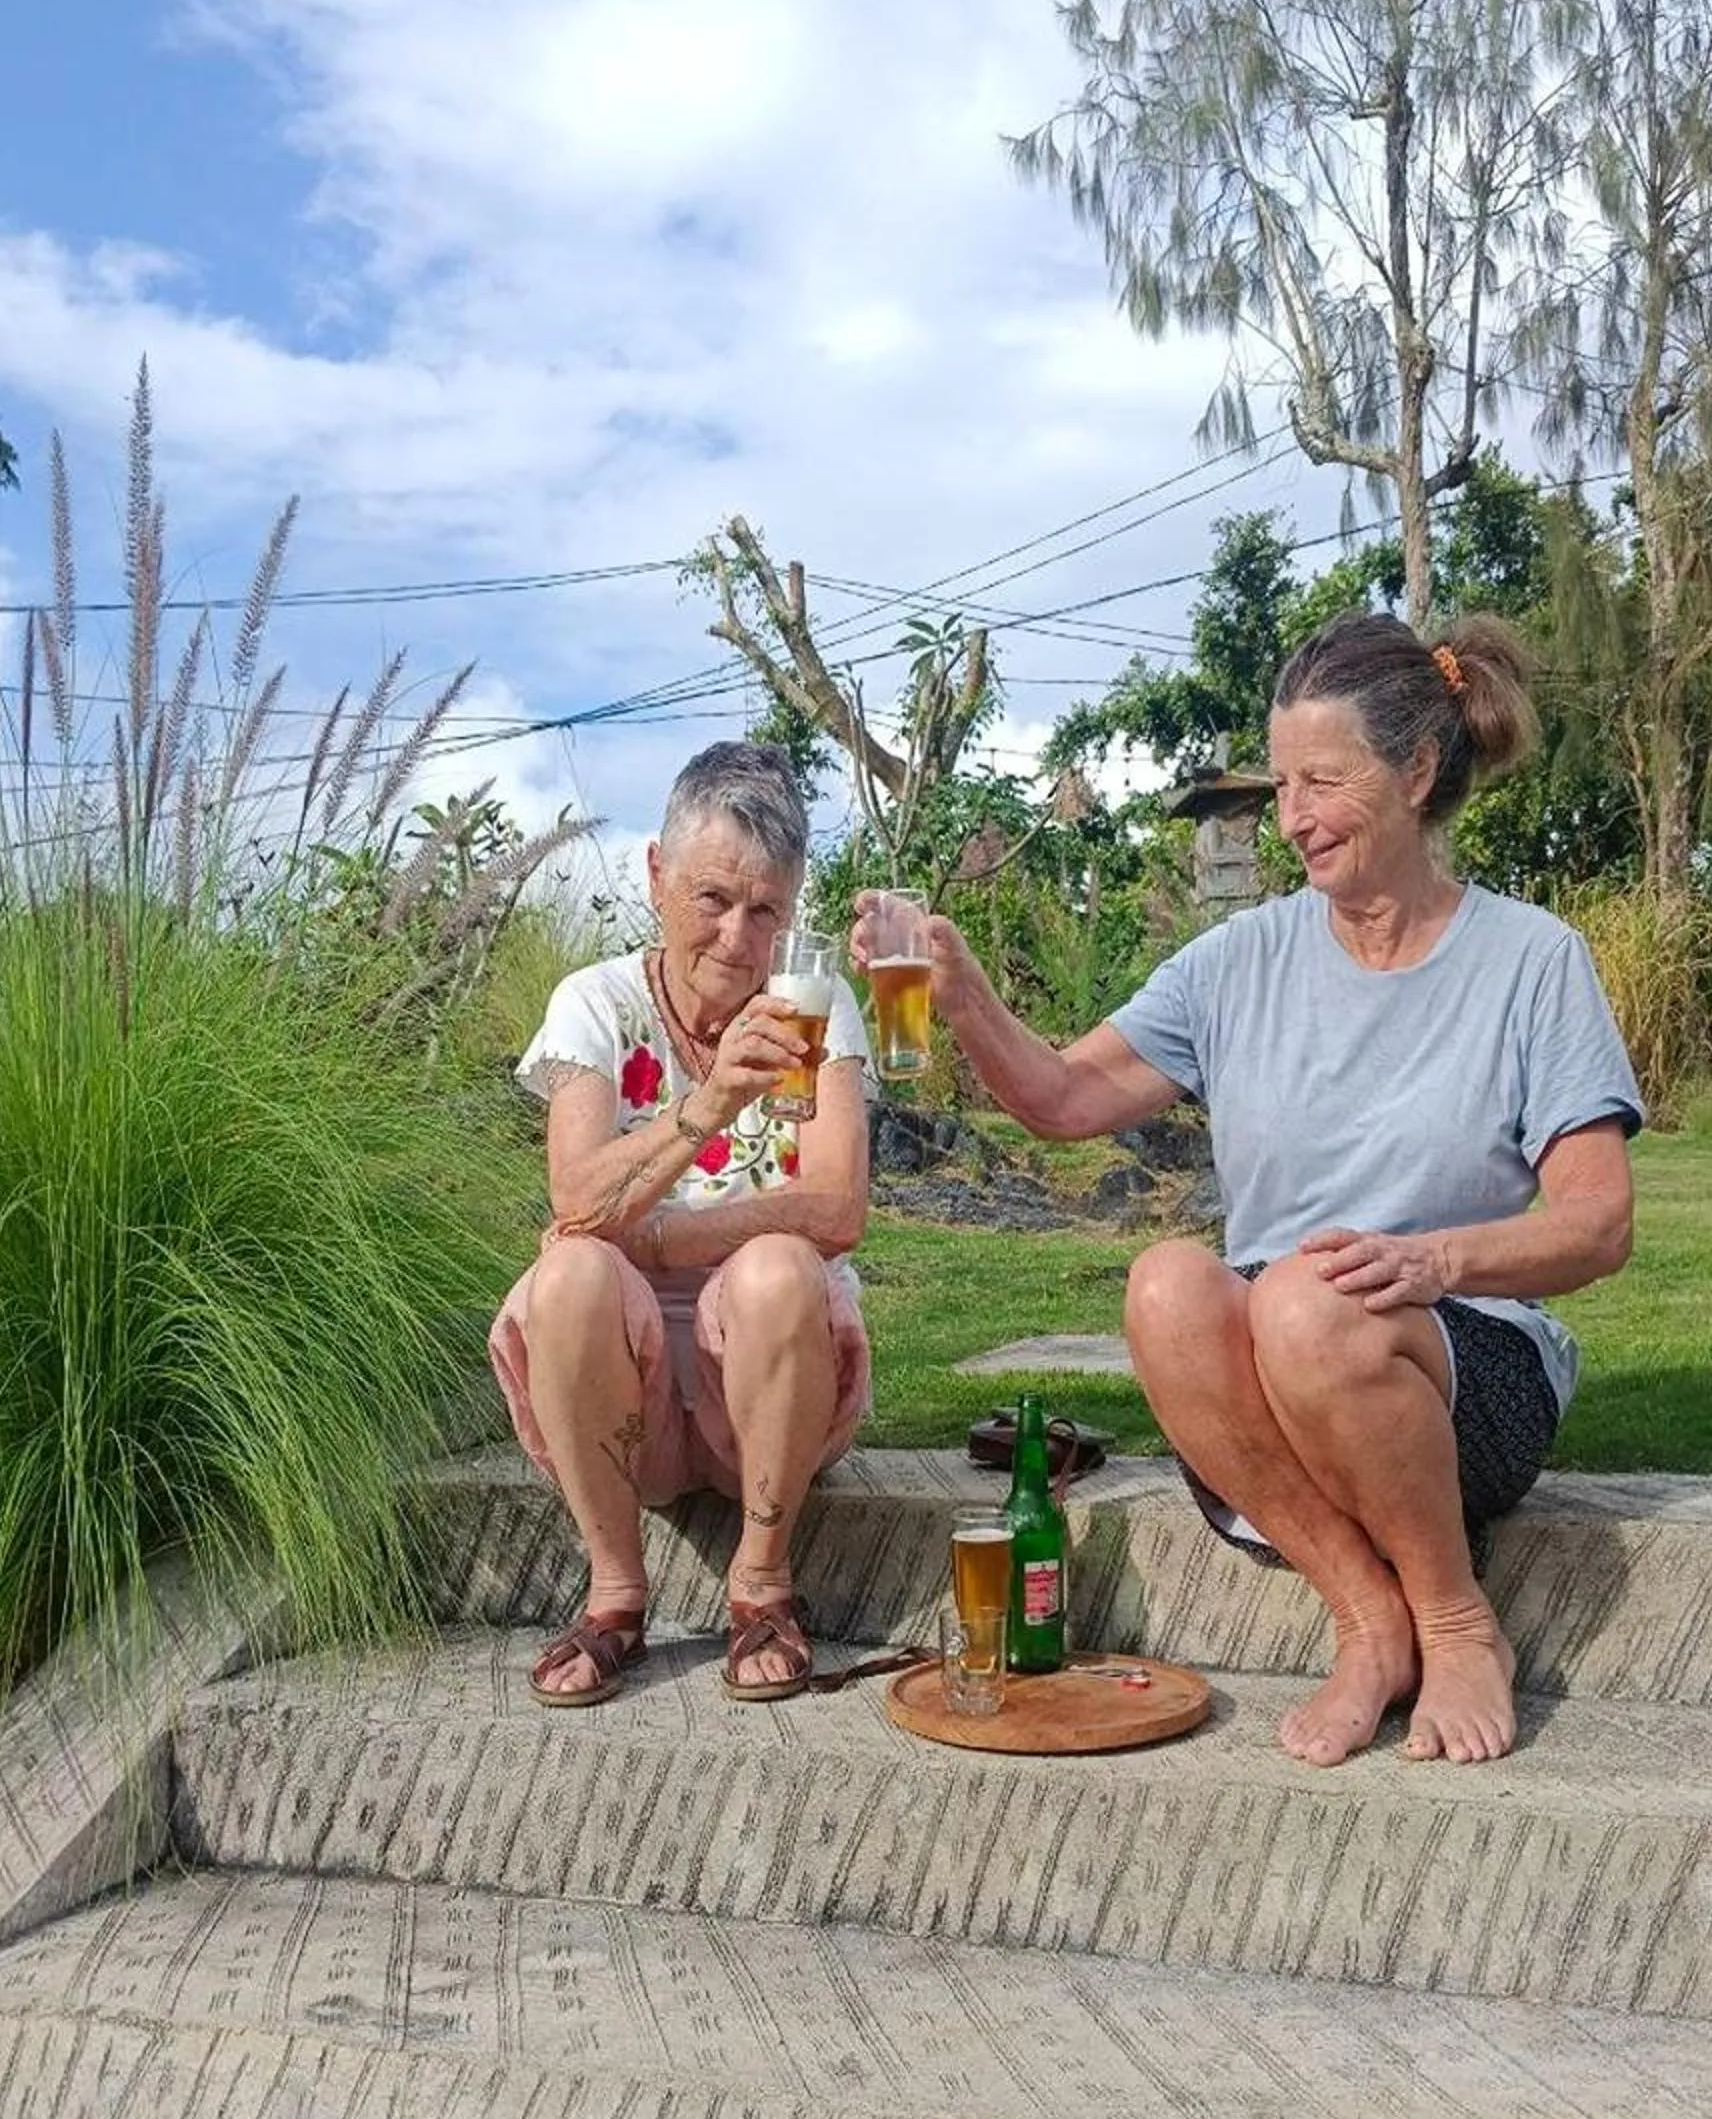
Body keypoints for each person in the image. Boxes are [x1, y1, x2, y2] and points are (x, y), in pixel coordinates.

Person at [858, 612, 1641, 1767]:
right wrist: (963, 992)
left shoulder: (1529, 960)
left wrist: (1429, 1263)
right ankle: (1367, 1619)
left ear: (1417, 771)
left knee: (1303, 1298)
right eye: (1279, 783)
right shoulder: (1238, 961)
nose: (1291, 816)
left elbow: (1597, 1223)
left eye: (1322, 780)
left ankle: (1454, 1618)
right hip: (1272, 1393)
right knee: (1170, 1282)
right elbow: (1065, 1100)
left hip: (1461, 1368)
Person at [491, 741, 871, 1703]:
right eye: (713, 899)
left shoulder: (811, 1009)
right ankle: (615, 1591)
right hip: (629, 1395)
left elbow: (838, 1209)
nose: (739, 938)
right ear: (657, 875)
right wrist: (704, 1108)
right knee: (569, 1277)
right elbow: (576, 1201)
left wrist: (655, 1238)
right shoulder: (596, 1003)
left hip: (774, 1387)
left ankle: (763, 1583)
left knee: (784, 1267)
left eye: (767, 909)